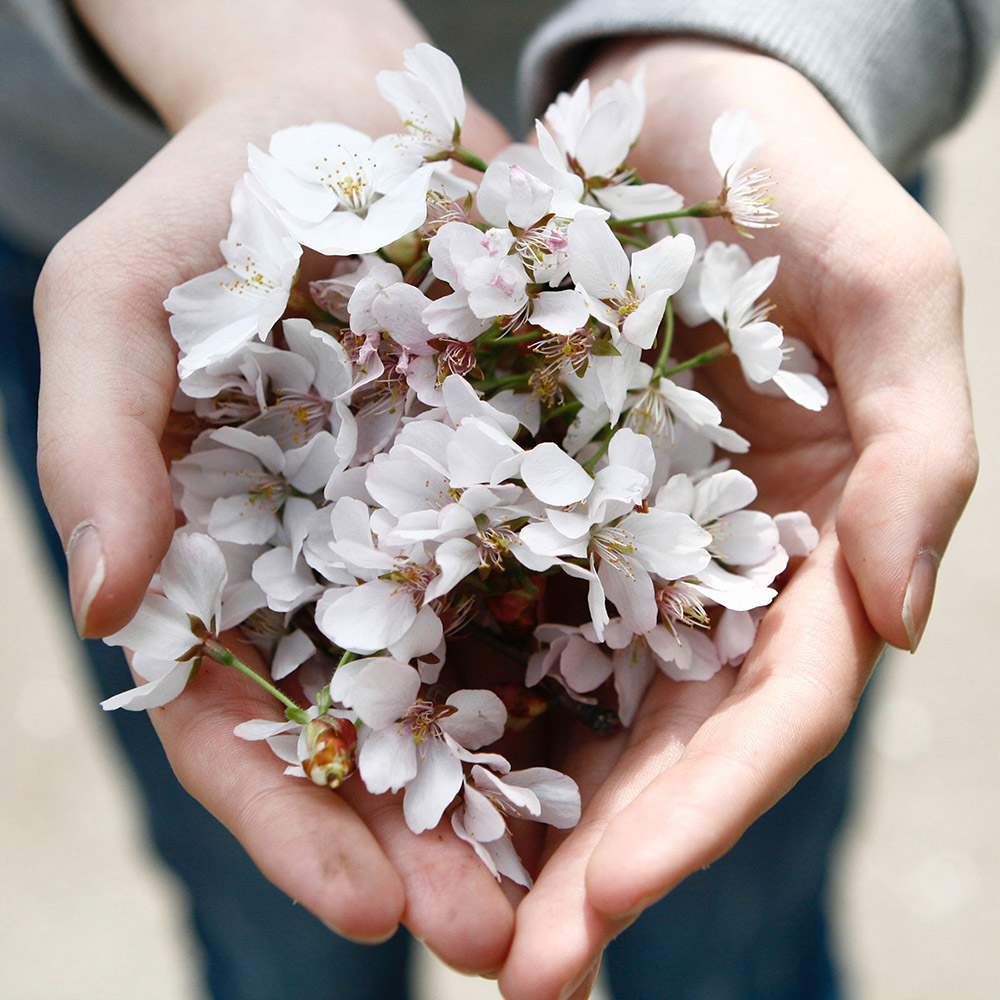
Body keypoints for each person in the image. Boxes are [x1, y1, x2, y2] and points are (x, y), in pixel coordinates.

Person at [1, 1, 994, 998]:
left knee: (733, 938)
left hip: (755, 86)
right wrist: (261, 45)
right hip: (104, 167)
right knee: (278, 938)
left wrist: (770, 46)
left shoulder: (620, 351)